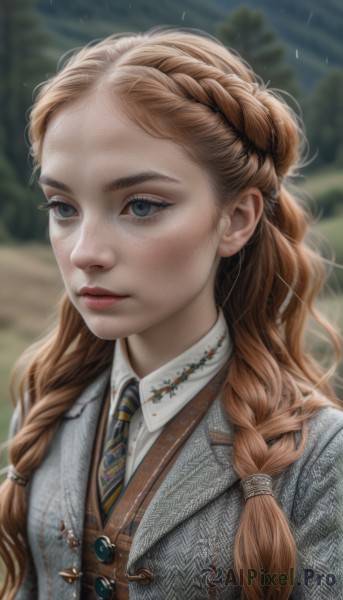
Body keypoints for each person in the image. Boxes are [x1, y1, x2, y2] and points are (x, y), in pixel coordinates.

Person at [0, 28, 342, 600]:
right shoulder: (45, 402)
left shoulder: (322, 460)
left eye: (141, 205)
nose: (85, 251)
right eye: (62, 207)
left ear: (236, 218)